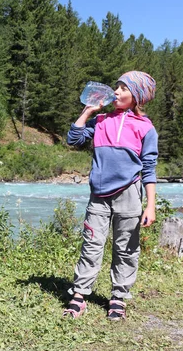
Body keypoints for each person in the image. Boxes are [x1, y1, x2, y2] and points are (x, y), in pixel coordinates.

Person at [63, 71, 158, 321]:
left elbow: (149, 168)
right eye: (117, 87)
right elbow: (73, 139)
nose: (116, 92)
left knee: (126, 248)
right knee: (91, 246)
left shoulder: (145, 128)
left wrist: (150, 206)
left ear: (137, 96)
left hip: (129, 194)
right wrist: (87, 113)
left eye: (123, 88)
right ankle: (79, 296)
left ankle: (118, 297)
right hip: (99, 194)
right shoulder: (101, 121)